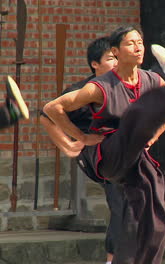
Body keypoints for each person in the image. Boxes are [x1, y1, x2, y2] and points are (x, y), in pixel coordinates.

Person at [43, 25, 165, 264]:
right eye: (130, 43)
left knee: (155, 219)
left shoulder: (150, 79)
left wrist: (156, 133)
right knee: (132, 121)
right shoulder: (98, 87)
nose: (138, 47)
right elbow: (51, 109)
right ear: (116, 51)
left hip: (137, 155)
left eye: (140, 42)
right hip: (109, 153)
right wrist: (80, 138)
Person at [40, 36, 121, 264]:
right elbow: (47, 116)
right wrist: (69, 144)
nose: (116, 63)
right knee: (121, 197)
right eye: (110, 58)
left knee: (131, 203)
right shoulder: (80, 92)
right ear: (95, 63)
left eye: (118, 58)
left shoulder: (126, 85)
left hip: (122, 152)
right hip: (95, 154)